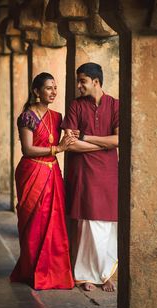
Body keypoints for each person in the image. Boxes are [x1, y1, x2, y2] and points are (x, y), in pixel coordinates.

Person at [10, 72, 75, 290]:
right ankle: (31, 271)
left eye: (55, 88)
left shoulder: (57, 117)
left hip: (52, 173)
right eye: (49, 88)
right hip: (32, 172)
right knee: (33, 223)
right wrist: (58, 148)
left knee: (54, 221)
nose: (54, 92)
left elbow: (71, 136)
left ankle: (53, 272)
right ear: (37, 91)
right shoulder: (27, 117)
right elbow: (27, 150)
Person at [61, 63, 119, 292]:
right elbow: (70, 144)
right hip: (83, 173)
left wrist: (86, 136)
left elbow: (119, 140)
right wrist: (102, 144)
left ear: (96, 81)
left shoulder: (115, 105)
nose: (78, 85)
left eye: (82, 81)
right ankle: (85, 275)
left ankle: (105, 274)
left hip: (108, 173)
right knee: (86, 224)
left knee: (107, 223)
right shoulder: (76, 106)